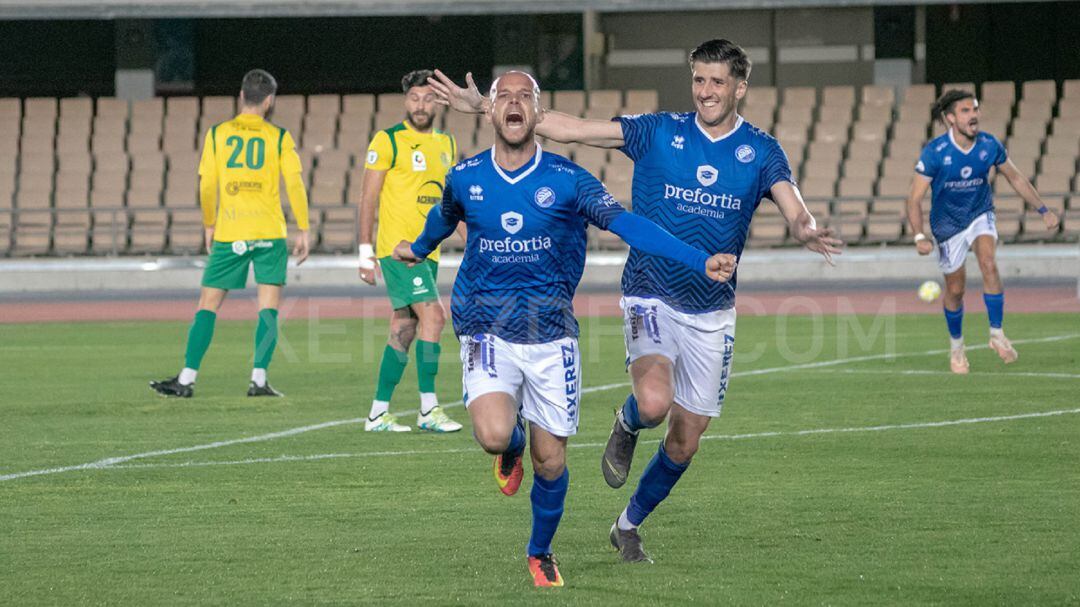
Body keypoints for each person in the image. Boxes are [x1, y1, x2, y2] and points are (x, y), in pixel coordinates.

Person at [427, 39, 842, 563]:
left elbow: (793, 206)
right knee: (653, 402)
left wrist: (805, 229)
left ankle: (627, 525)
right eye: (699, 80)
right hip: (650, 291)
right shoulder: (657, 131)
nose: (706, 92)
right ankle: (628, 421)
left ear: (740, 87)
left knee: (685, 442)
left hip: (712, 308)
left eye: (717, 82)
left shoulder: (760, 151)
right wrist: (488, 106)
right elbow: (570, 129)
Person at [394, 71, 737, 587]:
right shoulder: (465, 176)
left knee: (550, 461)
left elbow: (626, 223)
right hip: (486, 325)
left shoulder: (569, 180)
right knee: (492, 435)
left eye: (523, 97)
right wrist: (419, 248)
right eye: (502, 96)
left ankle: (540, 551)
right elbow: (445, 217)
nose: (513, 104)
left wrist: (696, 258)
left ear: (537, 112)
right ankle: (509, 447)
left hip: (552, 335)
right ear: (490, 111)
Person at [150, 69, 310, 398]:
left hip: (231, 229)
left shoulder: (217, 135)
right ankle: (259, 379)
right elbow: (294, 184)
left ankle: (187, 379)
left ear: (240, 97)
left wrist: (210, 223)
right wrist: (304, 229)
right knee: (268, 306)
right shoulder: (279, 137)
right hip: (269, 230)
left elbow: (207, 185)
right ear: (269, 101)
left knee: (208, 304)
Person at [906, 89, 1060, 374]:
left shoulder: (989, 145)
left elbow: (1015, 177)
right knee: (955, 289)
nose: (973, 115)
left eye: (975, 109)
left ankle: (997, 333)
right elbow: (914, 198)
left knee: (989, 262)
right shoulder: (935, 152)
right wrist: (919, 235)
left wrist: (1043, 210)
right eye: (965, 111)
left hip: (980, 214)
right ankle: (956, 347)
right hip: (947, 225)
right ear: (950, 118)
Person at [358, 70, 462, 433]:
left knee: (404, 327)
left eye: (428, 98)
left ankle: (377, 413)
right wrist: (363, 251)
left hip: (427, 252)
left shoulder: (447, 143)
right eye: (415, 98)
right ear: (406, 101)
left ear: (438, 102)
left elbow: (452, 204)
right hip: (398, 250)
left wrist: (477, 241)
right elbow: (368, 197)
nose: (420, 105)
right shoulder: (388, 141)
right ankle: (428, 409)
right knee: (434, 317)